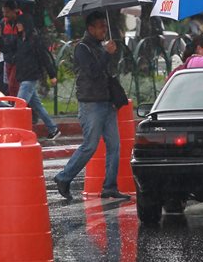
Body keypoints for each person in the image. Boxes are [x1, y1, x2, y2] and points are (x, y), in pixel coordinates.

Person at [52, 13, 123, 201]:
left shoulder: (100, 46)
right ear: (90, 28)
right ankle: (63, 177)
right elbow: (92, 72)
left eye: (104, 27)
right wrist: (106, 54)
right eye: (100, 26)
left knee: (115, 145)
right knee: (90, 145)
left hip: (107, 102)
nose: (103, 30)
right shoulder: (82, 48)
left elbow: (104, 71)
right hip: (91, 103)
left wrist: (108, 53)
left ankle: (110, 186)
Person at [9, 12, 61, 141]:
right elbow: (8, 48)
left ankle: (15, 133)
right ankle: (53, 128)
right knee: (37, 106)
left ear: (26, 24)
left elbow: (44, 57)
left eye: (20, 23)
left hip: (30, 77)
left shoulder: (34, 40)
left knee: (19, 106)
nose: (18, 26)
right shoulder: (20, 39)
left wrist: (52, 75)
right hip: (23, 76)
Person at [0, 2, 24, 95]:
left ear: (15, 11)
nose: (5, 15)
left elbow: (22, 44)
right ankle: (29, 108)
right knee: (11, 87)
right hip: (8, 59)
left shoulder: (23, 22)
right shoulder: (3, 23)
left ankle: (15, 106)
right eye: (3, 12)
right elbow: (4, 48)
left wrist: (20, 34)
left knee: (13, 86)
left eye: (7, 12)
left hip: (20, 60)